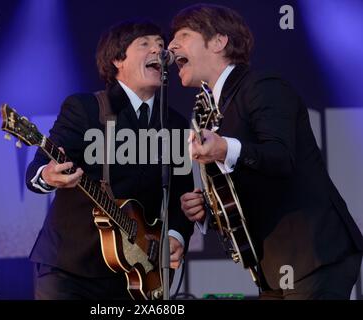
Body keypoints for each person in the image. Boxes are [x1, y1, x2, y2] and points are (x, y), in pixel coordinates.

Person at [169, 4, 363, 299]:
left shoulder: (262, 86)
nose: (171, 45)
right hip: (272, 267)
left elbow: (280, 157)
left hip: (313, 253)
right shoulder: (211, 110)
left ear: (219, 42)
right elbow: (244, 184)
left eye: (183, 34)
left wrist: (224, 149)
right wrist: (207, 210)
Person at [25, 19, 193, 300]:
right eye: (145, 44)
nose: (158, 51)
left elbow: (182, 194)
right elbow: (37, 169)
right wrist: (47, 175)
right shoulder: (86, 109)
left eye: (161, 46)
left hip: (136, 271)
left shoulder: (174, 123)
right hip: (70, 268)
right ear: (118, 59)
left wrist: (175, 236)